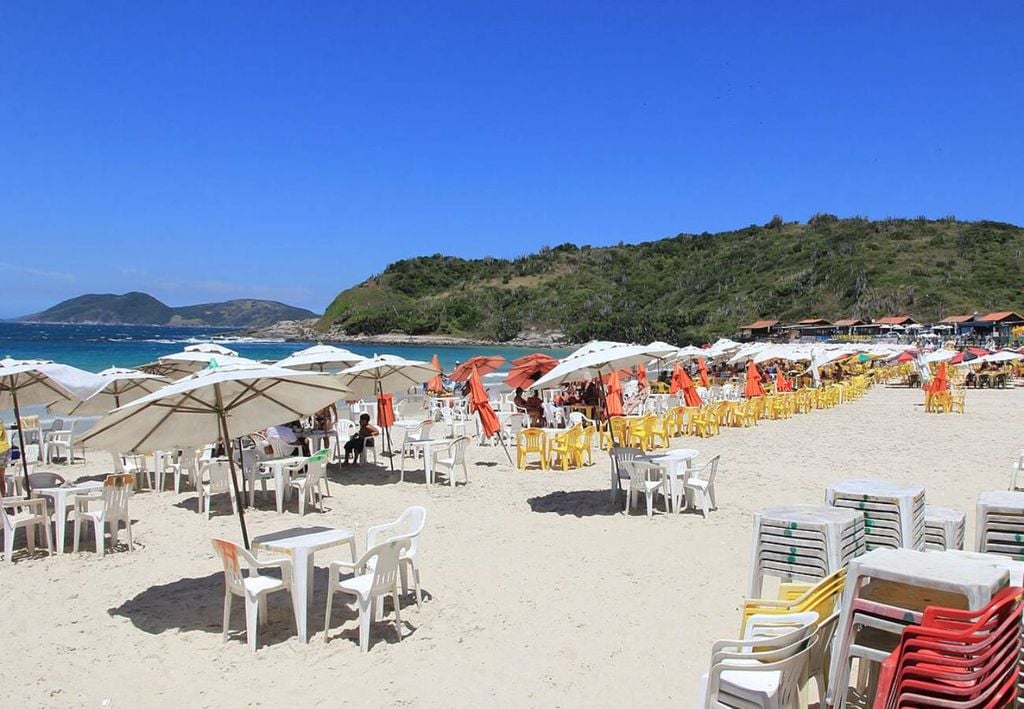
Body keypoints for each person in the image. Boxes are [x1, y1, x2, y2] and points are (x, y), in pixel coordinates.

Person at [0, 424, 9, 496]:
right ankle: (3, 496)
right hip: (3, 450)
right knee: (1, 477)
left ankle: (3, 496)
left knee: (1, 477)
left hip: (1, 451)